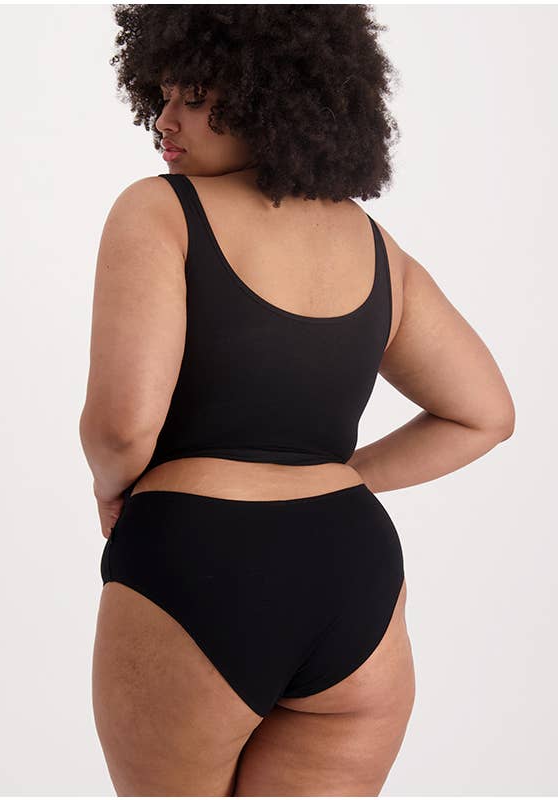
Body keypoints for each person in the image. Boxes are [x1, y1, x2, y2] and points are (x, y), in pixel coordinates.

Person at [79, 6, 515, 796]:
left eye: (196, 99)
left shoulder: (160, 209)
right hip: (354, 579)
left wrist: (113, 491)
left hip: (198, 563)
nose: (165, 121)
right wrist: (338, 478)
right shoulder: (374, 245)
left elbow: (122, 426)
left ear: (270, 100)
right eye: (162, 95)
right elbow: (484, 414)